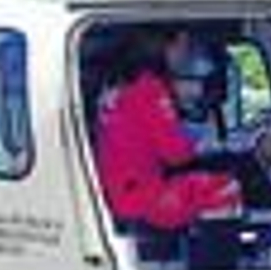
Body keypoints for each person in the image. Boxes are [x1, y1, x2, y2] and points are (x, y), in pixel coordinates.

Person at [94, 28, 240, 235]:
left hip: (119, 191)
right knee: (226, 187)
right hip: (145, 198)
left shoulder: (117, 83)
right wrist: (207, 143)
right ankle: (216, 263)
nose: (184, 56)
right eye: (184, 47)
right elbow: (176, 155)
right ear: (166, 47)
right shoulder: (150, 89)